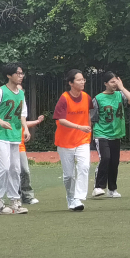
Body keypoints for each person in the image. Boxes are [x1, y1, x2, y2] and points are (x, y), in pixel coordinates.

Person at [0, 64, 45, 215]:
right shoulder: (0, 92)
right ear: (9, 75)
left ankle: (14, 200)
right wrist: (0, 122)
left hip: (14, 136)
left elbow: (22, 114)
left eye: (22, 73)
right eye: (17, 73)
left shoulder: (21, 94)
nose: (21, 76)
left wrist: (25, 128)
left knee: (15, 169)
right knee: (4, 168)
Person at [91, 71, 130, 199]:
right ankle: (98, 187)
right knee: (105, 158)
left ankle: (112, 189)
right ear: (105, 84)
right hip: (101, 133)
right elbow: (92, 117)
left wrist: (122, 88)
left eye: (116, 81)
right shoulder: (98, 98)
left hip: (116, 133)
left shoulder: (120, 95)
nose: (114, 84)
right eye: (112, 82)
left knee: (114, 162)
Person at [53, 69, 93, 212]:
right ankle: (70, 197)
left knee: (84, 167)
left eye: (83, 79)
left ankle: (78, 197)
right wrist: (79, 127)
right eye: (79, 80)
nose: (83, 82)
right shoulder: (64, 98)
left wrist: (88, 130)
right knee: (69, 175)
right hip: (65, 141)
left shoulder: (86, 97)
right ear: (71, 83)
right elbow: (61, 120)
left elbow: (88, 114)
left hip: (82, 139)